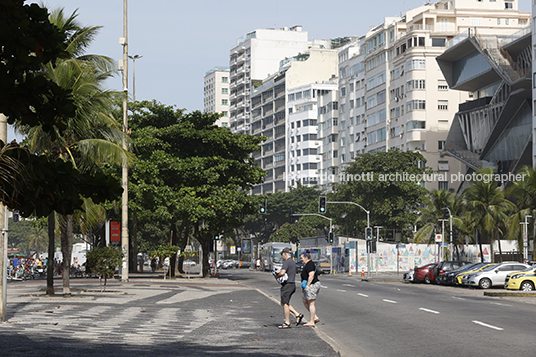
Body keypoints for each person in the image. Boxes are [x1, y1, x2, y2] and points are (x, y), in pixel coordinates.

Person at [273, 247, 304, 329]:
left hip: (287, 285)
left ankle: (287, 322)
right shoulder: (293, 262)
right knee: (283, 303)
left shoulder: (286, 262)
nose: (282, 257)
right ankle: (297, 315)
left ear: (285, 254)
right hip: (292, 284)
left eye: (282, 255)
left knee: (285, 304)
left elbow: (282, 272)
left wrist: (276, 276)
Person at [300, 249, 321, 327]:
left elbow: (311, 275)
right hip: (309, 285)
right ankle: (314, 317)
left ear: (306, 257)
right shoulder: (307, 265)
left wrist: (307, 286)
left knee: (311, 303)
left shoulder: (310, 264)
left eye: (302, 258)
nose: (301, 259)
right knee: (305, 300)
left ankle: (312, 321)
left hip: (312, 285)